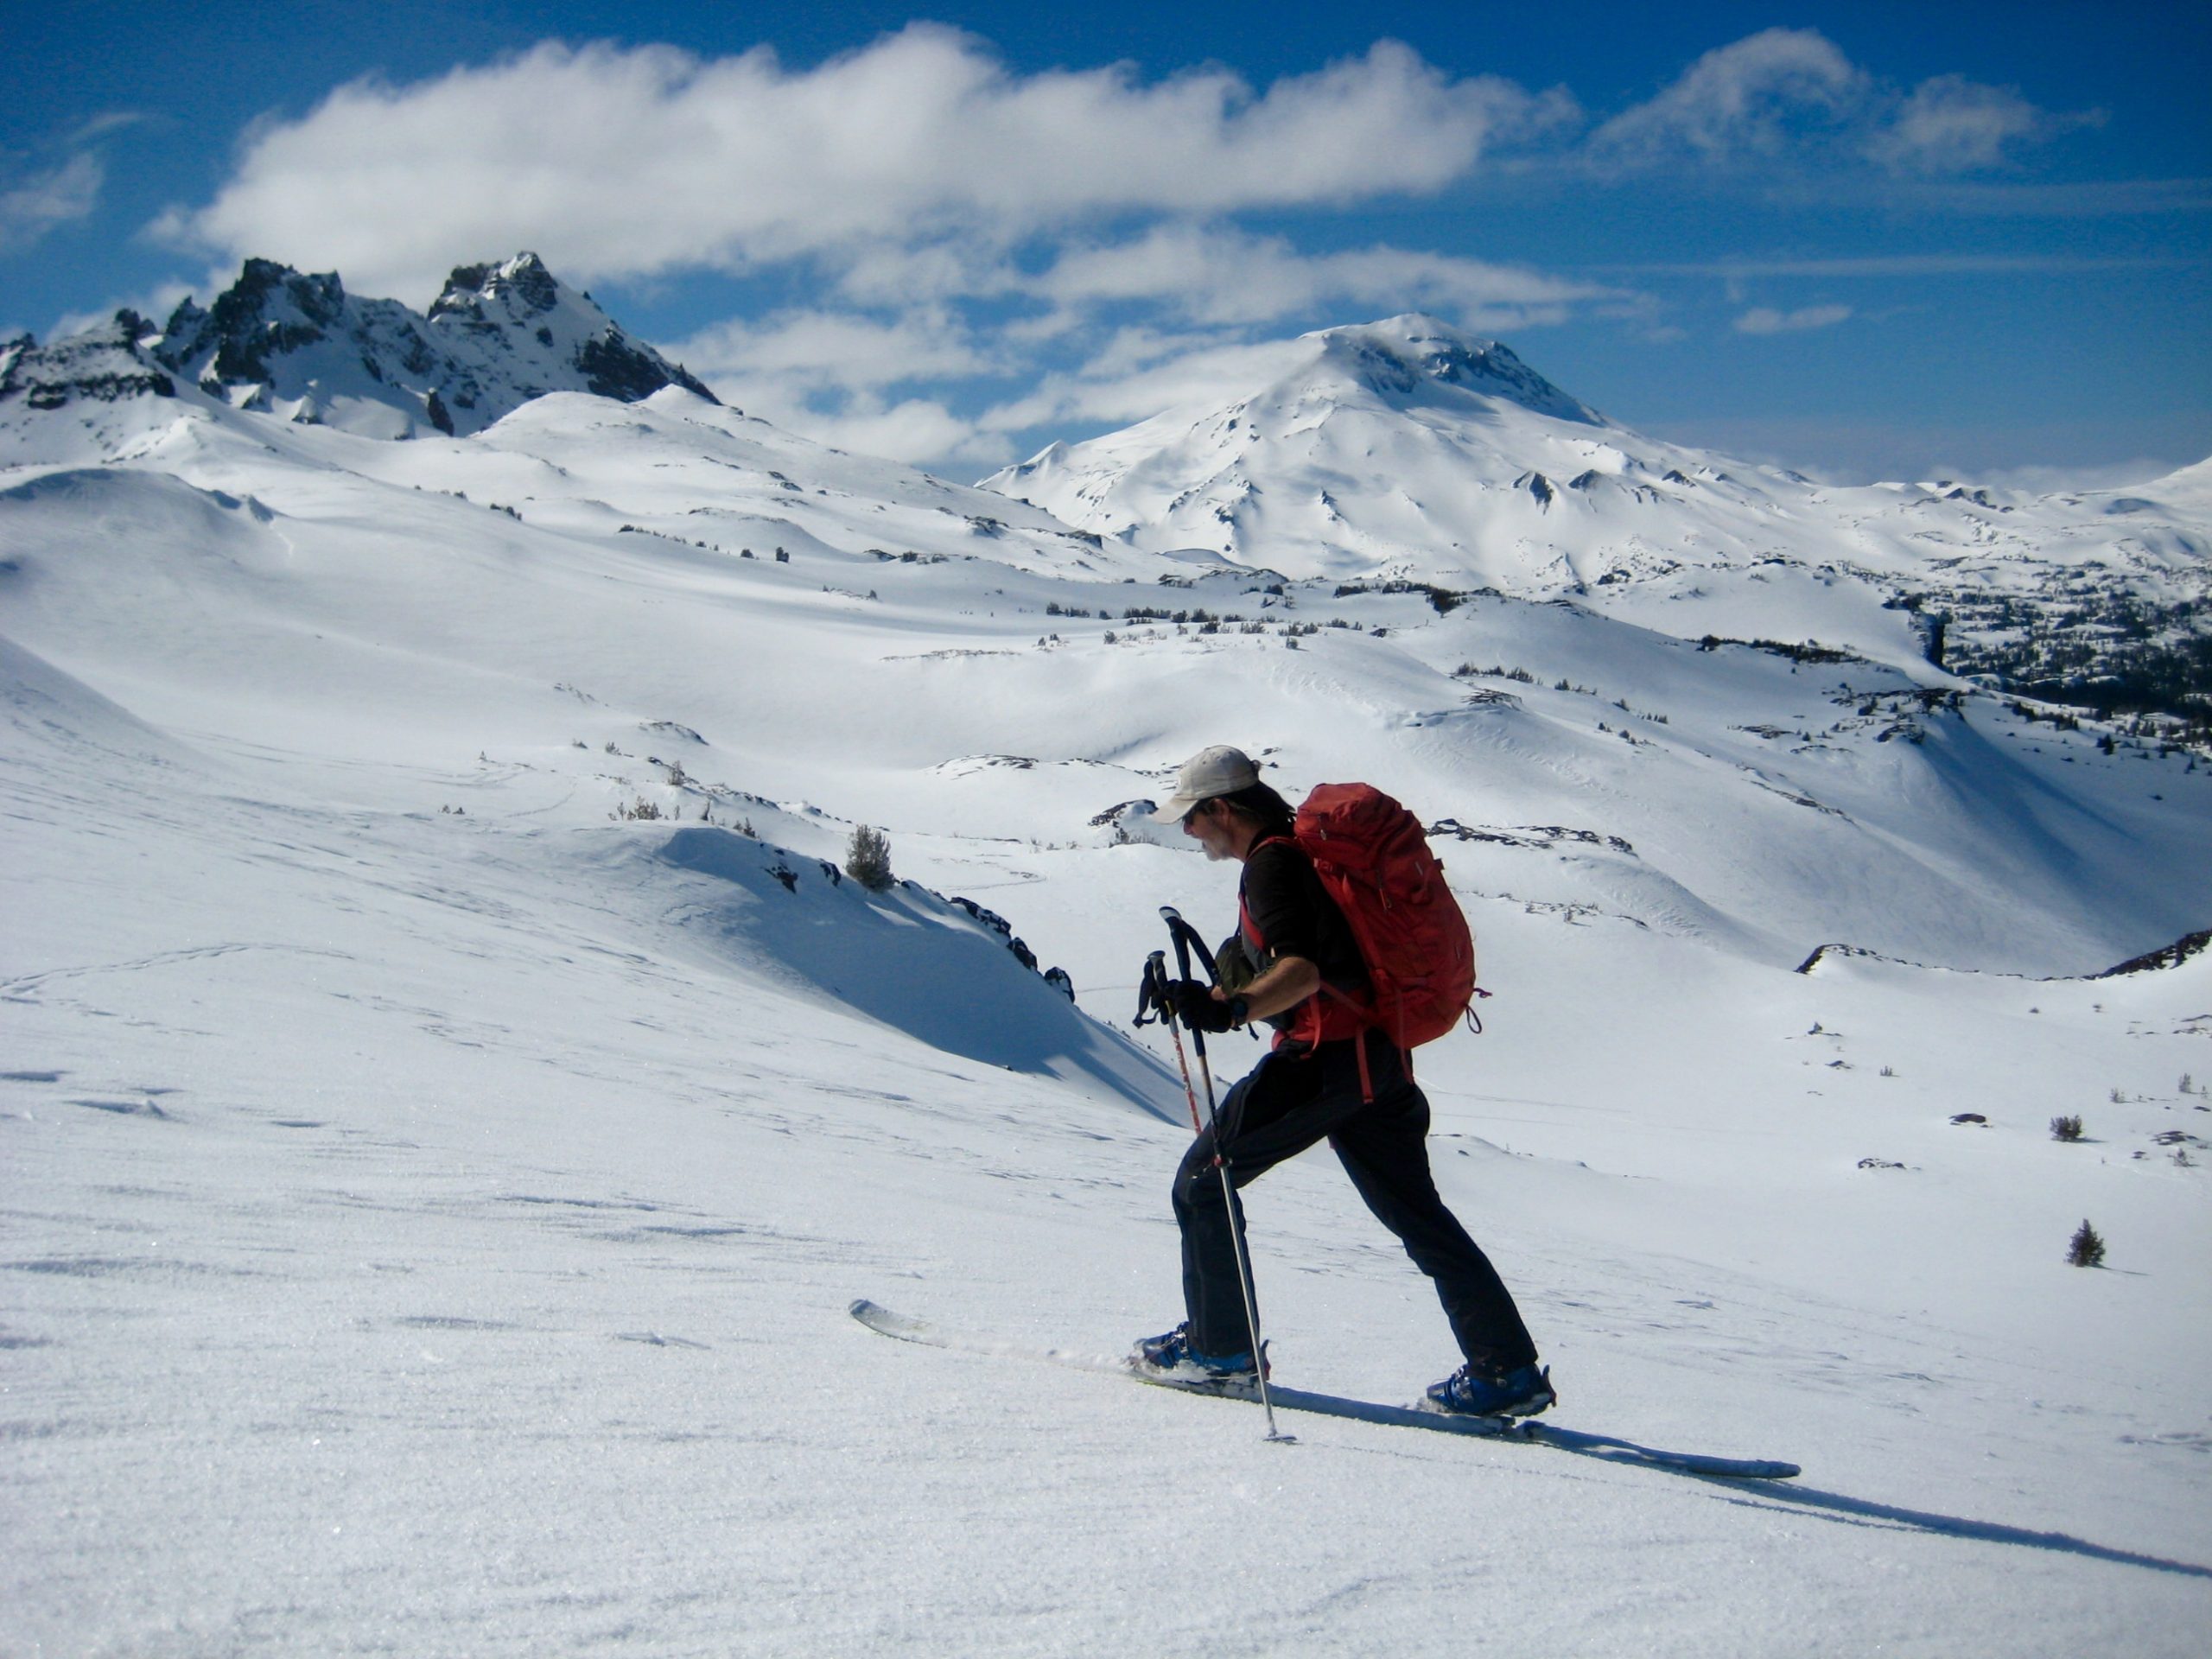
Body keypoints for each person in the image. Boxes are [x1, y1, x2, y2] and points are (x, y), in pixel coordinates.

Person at [1133, 744, 1554, 1418]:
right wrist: (1213, 995)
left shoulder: (1272, 866)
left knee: (1203, 1181)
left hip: (1326, 1059)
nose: (1187, 832)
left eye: (1191, 818)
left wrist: (1230, 1008)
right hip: (1379, 1061)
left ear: (1221, 809)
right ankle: (1506, 1372)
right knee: (1419, 1216)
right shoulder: (1294, 855)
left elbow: (1301, 972)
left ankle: (1222, 1353)